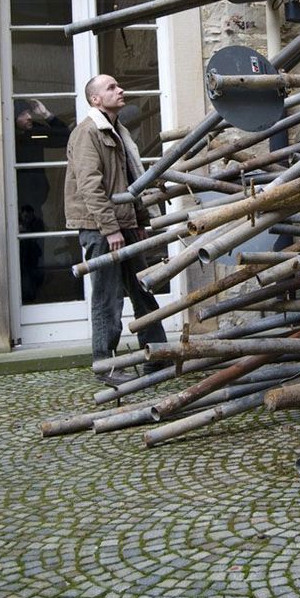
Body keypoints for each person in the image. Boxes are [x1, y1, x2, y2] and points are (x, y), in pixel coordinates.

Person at [64, 74, 167, 385]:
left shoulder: (118, 132)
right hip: (100, 227)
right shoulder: (88, 133)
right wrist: (110, 230)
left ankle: (158, 358)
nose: (120, 89)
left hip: (123, 224)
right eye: (111, 87)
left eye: (118, 85)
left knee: (143, 289)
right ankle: (105, 367)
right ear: (96, 99)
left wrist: (138, 222)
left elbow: (127, 182)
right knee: (107, 297)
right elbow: (90, 187)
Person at [14, 99, 71, 304]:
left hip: (35, 207)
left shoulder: (35, 132)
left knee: (35, 255)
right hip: (15, 206)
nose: (29, 117)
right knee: (20, 257)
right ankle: (26, 298)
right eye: (23, 114)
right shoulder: (10, 138)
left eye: (30, 112)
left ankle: (35, 297)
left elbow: (65, 137)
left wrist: (46, 114)